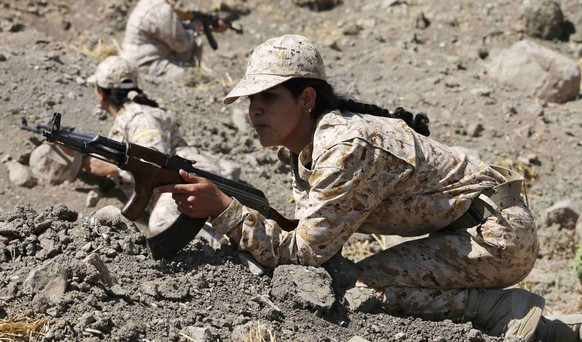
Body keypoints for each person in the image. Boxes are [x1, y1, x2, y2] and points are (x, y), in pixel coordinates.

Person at [154, 34, 582, 341]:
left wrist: (225, 209)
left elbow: (304, 253)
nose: (255, 111)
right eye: (252, 100)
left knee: (364, 290)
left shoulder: (344, 147)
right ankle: (558, 328)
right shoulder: (307, 147)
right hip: (467, 231)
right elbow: (309, 237)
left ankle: (505, 311)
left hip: (498, 236)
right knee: (344, 279)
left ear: (306, 99)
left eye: (268, 98)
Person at [32, 56, 239, 237]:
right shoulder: (130, 117)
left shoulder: (140, 117)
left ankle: (228, 252)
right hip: (176, 184)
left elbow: (153, 162)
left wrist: (110, 166)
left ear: (100, 93)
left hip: (186, 179)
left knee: (162, 224)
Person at [121, 0, 228, 82]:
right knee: (190, 78)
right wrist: (195, 27)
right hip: (145, 64)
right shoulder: (163, 10)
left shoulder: (151, 2)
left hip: (135, 58)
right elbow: (181, 44)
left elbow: (172, 30)